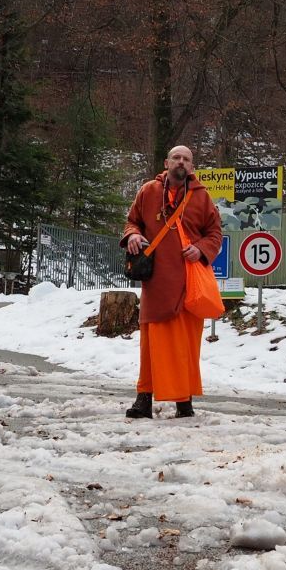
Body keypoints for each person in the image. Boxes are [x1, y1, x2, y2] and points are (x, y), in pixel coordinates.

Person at [121, 145, 223, 419]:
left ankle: (184, 402)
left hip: (188, 282)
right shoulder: (148, 191)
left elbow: (214, 233)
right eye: (176, 157)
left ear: (192, 167)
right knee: (151, 346)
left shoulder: (202, 198)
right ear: (166, 162)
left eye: (186, 159)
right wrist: (132, 236)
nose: (180, 162)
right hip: (156, 282)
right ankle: (144, 400)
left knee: (186, 346)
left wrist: (201, 249)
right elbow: (132, 222)